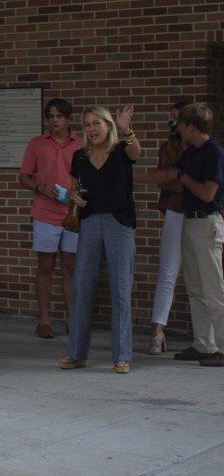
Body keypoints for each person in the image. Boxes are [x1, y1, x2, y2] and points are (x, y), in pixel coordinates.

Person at [59, 104, 141, 374]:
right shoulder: (80, 156)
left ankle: (122, 356)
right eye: (88, 124)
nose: (92, 129)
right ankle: (76, 353)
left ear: (108, 126)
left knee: (120, 289)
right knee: (82, 287)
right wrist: (75, 198)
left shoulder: (120, 151)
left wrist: (127, 129)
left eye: (97, 123)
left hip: (119, 223)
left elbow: (136, 152)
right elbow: (73, 189)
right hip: (90, 222)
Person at [156, 102, 224, 367]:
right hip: (189, 223)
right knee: (195, 288)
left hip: (206, 225)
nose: (177, 127)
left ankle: (220, 347)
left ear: (192, 127)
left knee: (214, 289)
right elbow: (170, 175)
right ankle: (203, 344)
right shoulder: (191, 152)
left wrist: (183, 179)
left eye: (180, 124)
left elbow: (208, 194)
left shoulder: (214, 153)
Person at [19, 99, 83, 338]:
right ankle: (44, 320)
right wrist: (40, 187)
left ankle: (72, 320)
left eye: (59, 116)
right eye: (51, 116)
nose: (55, 120)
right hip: (45, 213)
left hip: (73, 215)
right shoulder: (37, 144)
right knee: (45, 266)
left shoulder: (81, 144)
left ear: (68, 118)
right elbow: (24, 177)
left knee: (71, 266)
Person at [148, 97, 193, 354]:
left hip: (202, 214)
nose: (172, 121)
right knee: (168, 271)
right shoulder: (169, 147)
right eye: (171, 116)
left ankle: (208, 334)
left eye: (177, 117)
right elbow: (162, 180)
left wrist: (182, 182)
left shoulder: (203, 148)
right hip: (176, 210)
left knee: (204, 276)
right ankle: (157, 329)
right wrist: (184, 183)